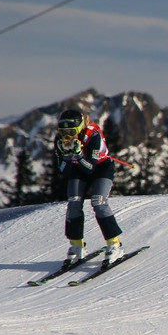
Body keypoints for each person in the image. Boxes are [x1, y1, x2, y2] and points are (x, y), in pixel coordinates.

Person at [55, 108, 124, 267]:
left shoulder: (93, 135)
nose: (67, 136)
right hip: (78, 170)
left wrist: (78, 154)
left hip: (100, 168)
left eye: (71, 131)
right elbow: (63, 171)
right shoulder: (59, 141)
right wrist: (66, 156)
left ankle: (114, 243)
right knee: (73, 203)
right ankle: (77, 245)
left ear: (79, 128)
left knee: (98, 201)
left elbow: (90, 168)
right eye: (63, 131)